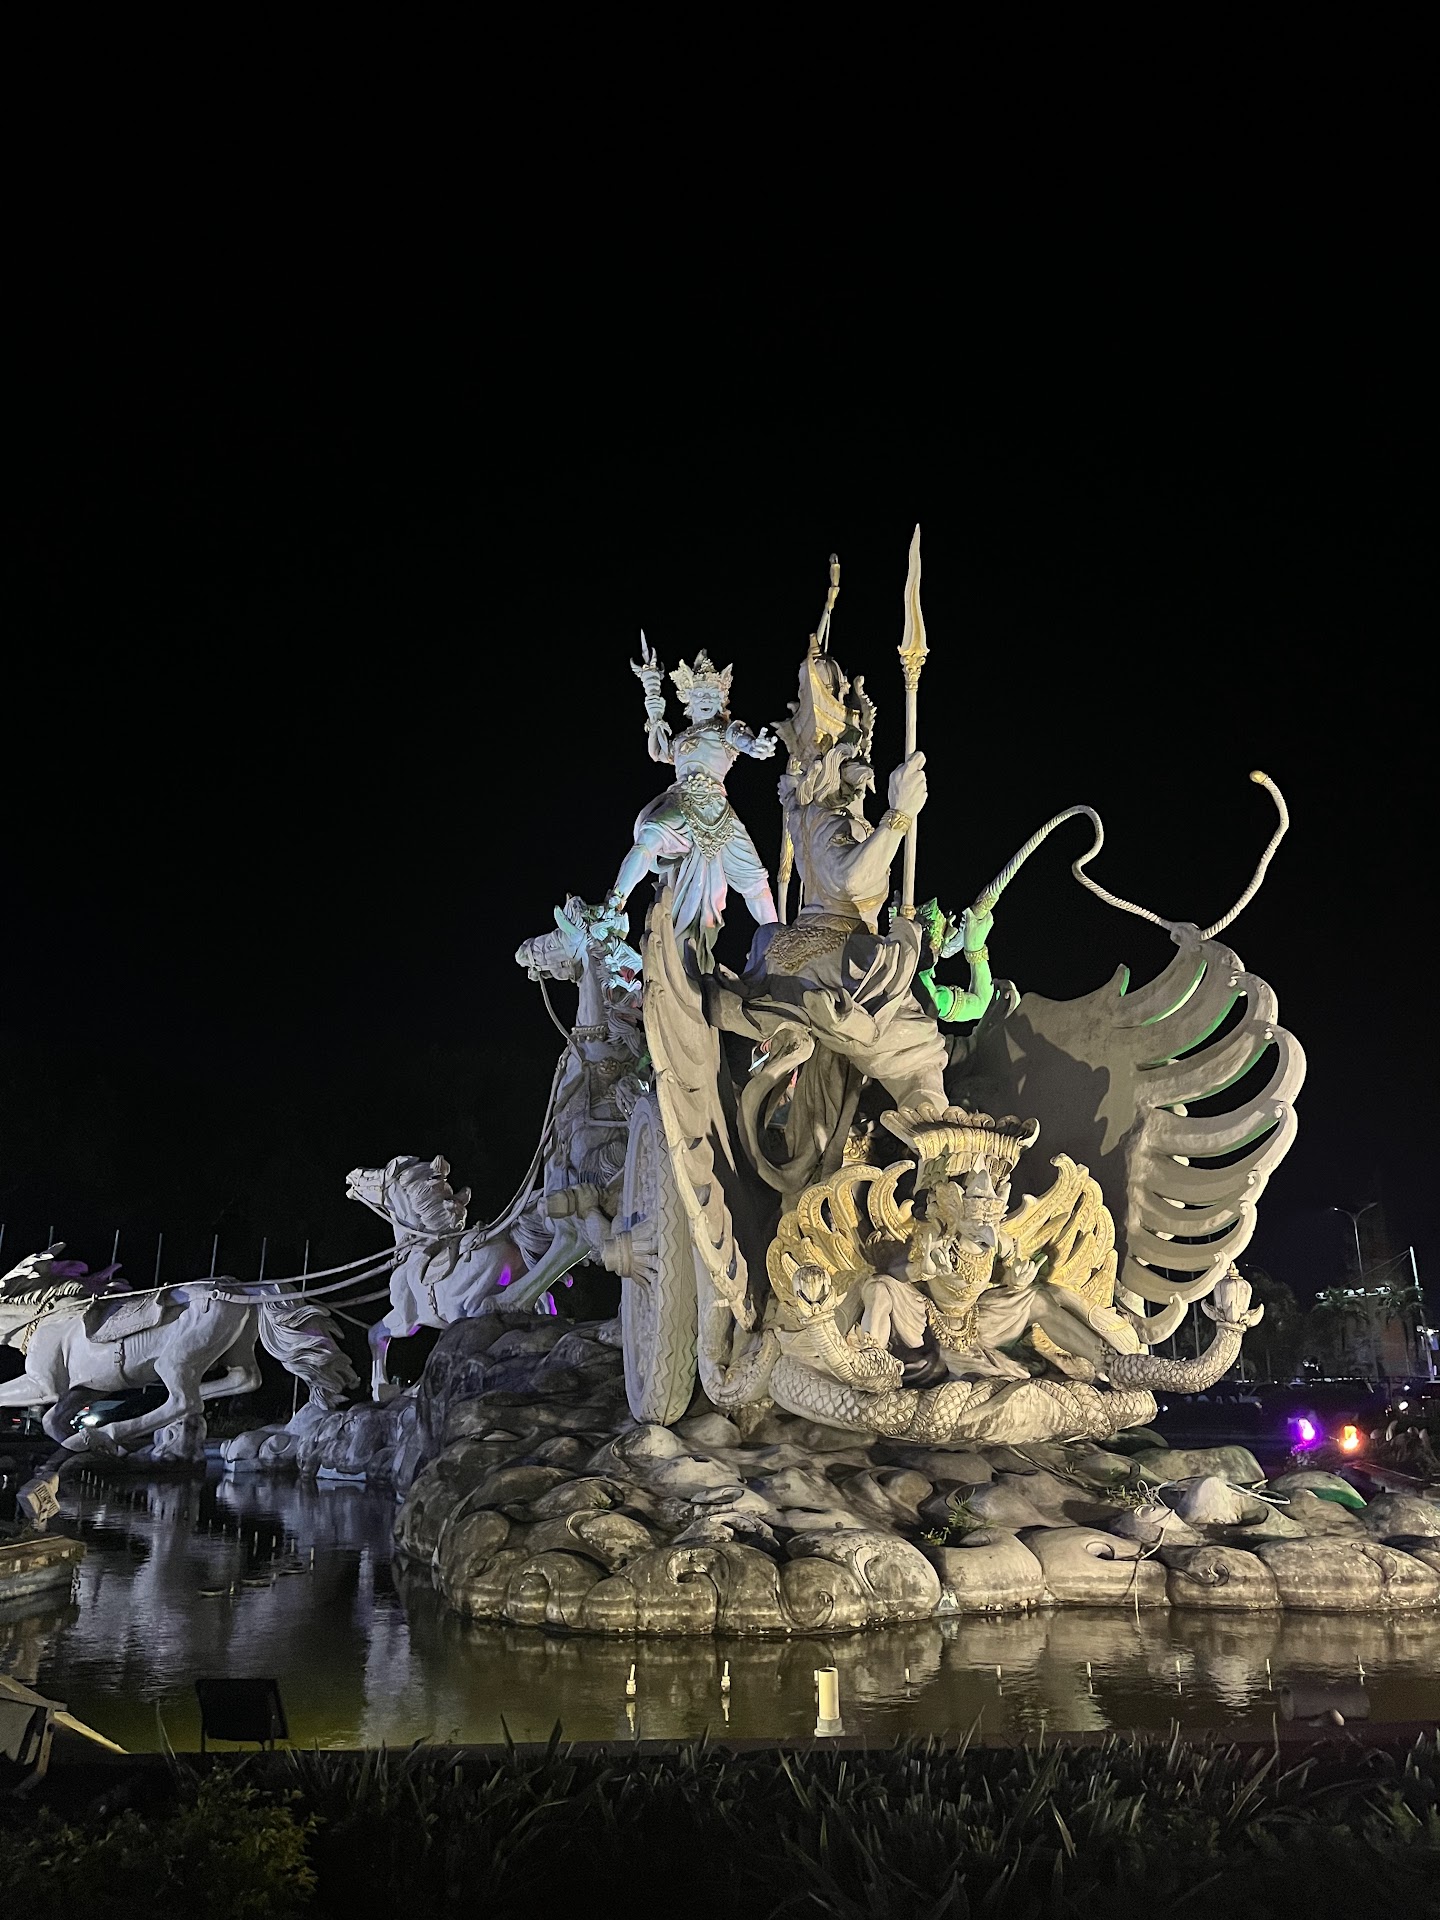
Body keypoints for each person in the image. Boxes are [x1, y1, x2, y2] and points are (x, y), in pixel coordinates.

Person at [603, 639, 777, 967]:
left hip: (716, 810)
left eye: (713, 695)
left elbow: (743, 739)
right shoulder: (682, 739)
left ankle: (779, 939)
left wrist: (756, 746)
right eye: (701, 695)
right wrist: (653, 698)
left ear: (721, 699)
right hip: (682, 802)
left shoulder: (726, 730)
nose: (707, 700)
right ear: (688, 700)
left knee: (755, 881)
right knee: (650, 833)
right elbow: (659, 750)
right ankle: (614, 906)